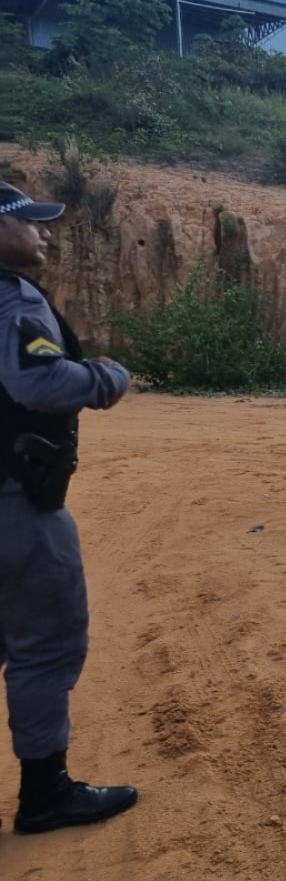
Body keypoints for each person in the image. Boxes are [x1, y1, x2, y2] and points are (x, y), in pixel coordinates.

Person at [0, 180, 138, 834]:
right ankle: (46, 793)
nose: (44, 232)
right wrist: (107, 378)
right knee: (47, 643)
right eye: (29, 221)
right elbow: (37, 379)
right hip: (16, 503)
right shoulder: (10, 297)